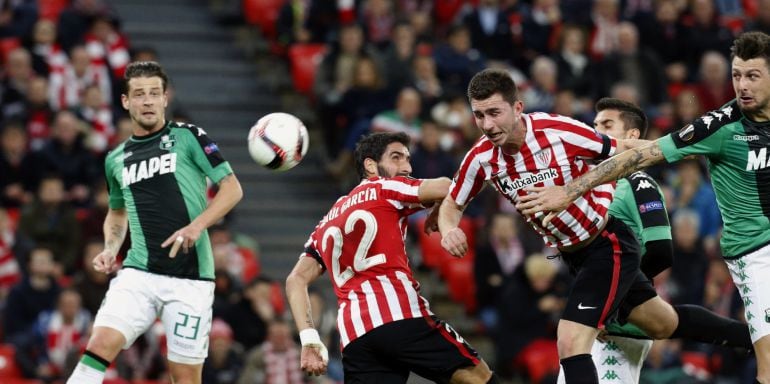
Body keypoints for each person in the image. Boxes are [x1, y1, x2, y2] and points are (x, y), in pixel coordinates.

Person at [437, 68, 752, 384]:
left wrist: (682, 149)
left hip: (607, 243)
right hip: (574, 256)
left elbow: (621, 149)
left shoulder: (557, 131)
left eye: (494, 113)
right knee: (663, 323)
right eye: (479, 115)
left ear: (518, 107)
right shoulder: (480, 158)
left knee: (570, 341)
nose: (487, 125)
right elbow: (452, 203)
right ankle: (757, 339)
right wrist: (449, 229)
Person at [518, 30, 770, 383]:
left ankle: (747, 339)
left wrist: (617, 292)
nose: (741, 85)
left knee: (660, 324)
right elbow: (648, 157)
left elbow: (659, 255)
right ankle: (749, 340)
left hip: (619, 305)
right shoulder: (719, 127)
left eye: (752, 76)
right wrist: (569, 192)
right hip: (753, 254)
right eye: (736, 75)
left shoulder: (635, 185)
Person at [66, 61, 243, 384]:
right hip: (139, 272)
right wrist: (111, 248)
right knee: (99, 343)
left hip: (190, 278)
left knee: (184, 376)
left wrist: (197, 225)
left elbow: (232, 189)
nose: (147, 101)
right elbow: (117, 212)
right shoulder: (115, 159)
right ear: (125, 101)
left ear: (165, 98)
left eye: (153, 93)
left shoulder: (189, 136)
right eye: (139, 94)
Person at [285, 132, 498, 383]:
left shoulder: (327, 220)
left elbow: (295, 279)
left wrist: (309, 338)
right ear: (370, 165)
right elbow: (447, 186)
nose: (407, 167)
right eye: (396, 158)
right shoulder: (383, 187)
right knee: (478, 377)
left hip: (355, 336)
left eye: (408, 159)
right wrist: (443, 208)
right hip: (398, 314)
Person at [557, 98, 674, 383]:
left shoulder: (636, 181)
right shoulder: (593, 182)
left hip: (618, 326)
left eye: (607, 125)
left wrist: (613, 298)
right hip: (595, 315)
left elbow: (661, 251)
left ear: (632, 135)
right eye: (595, 125)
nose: (597, 132)